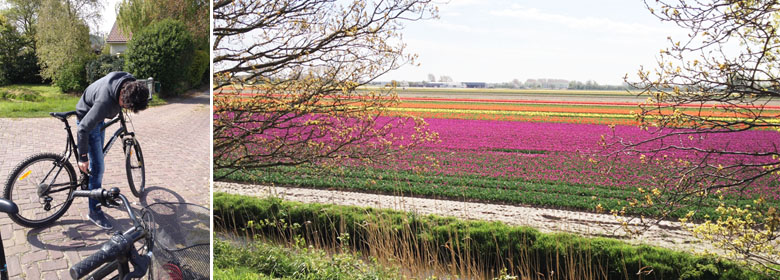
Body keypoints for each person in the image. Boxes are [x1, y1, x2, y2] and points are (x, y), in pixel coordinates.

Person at [76, 71, 149, 229]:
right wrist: (82, 157)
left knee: (98, 157)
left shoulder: (129, 83)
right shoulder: (104, 103)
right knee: (98, 167)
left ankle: (91, 185)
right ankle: (94, 211)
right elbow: (82, 129)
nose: (126, 109)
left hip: (98, 116)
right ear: (122, 97)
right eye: (126, 106)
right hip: (87, 117)